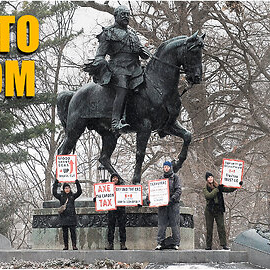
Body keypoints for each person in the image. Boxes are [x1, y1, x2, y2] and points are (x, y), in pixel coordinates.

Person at [87, 5, 150, 133]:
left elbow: (143, 53)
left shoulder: (132, 34)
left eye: (128, 14)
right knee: (122, 88)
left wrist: (143, 52)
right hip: (117, 68)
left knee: (149, 85)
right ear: (116, 16)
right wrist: (100, 65)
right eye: (123, 14)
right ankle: (115, 121)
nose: (126, 17)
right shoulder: (108, 33)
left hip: (135, 67)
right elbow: (100, 55)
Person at [203, 172, 243, 250]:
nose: (210, 178)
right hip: (209, 210)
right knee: (209, 228)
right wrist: (217, 189)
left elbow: (229, 190)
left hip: (218, 209)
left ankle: (224, 244)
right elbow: (209, 195)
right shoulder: (205, 188)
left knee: (221, 227)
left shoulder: (218, 186)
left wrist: (238, 185)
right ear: (207, 179)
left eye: (211, 177)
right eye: (208, 177)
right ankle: (208, 245)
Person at [155, 161, 182, 250]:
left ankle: (176, 243)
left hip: (173, 205)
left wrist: (172, 199)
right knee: (161, 224)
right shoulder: (160, 178)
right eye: (164, 167)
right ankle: (160, 242)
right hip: (162, 205)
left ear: (170, 167)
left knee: (175, 224)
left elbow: (178, 190)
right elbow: (155, 191)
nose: (166, 168)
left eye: (167, 167)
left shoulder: (175, 178)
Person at [52, 179, 82, 250]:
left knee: (73, 233)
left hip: (71, 217)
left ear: (70, 188)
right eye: (65, 188)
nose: (67, 189)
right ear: (64, 189)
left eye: (68, 188)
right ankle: (66, 246)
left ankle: (74, 245)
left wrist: (77, 183)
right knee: (65, 233)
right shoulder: (61, 196)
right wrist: (55, 184)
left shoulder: (72, 196)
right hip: (64, 217)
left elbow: (79, 192)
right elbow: (54, 193)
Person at [105, 173, 127, 250]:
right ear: (111, 179)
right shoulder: (108, 188)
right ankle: (110, 244)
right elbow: (102, 196)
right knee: (111, 228)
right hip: (111, 210)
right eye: (113, 178)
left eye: (116, 178)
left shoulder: (122, 187)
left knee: (122, 228)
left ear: (118, 179)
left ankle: (123, 244)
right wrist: (96, 199)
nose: (114, 179)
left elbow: (129, 197)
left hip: (121, 210)